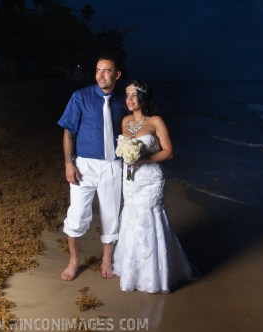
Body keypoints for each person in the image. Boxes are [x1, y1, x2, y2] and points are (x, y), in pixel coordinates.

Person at [112, 80, 199, 293]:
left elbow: (169, 152)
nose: (129, 99)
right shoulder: (124, 121)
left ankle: (153, 276)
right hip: (130, 180)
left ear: (143, 98)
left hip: (150, 179)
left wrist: (143, 159)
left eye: (134, 95)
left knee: (148, 219)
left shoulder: (156, 121)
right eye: (127, 95)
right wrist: (128, 157)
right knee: (131, 218)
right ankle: (132, 269)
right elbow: (122, 150)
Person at [57, 55, 126, 281]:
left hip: (113, 165)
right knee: (77, 215)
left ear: (117, 75)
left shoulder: (122, 101)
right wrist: (69, 163)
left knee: (111, 214)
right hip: (84, 164)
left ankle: (106, 259)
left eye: (106, 71)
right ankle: (74, 261)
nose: (100, 75)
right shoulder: (80, 97)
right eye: (98, 70)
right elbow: (68, 131)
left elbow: (133, 129)